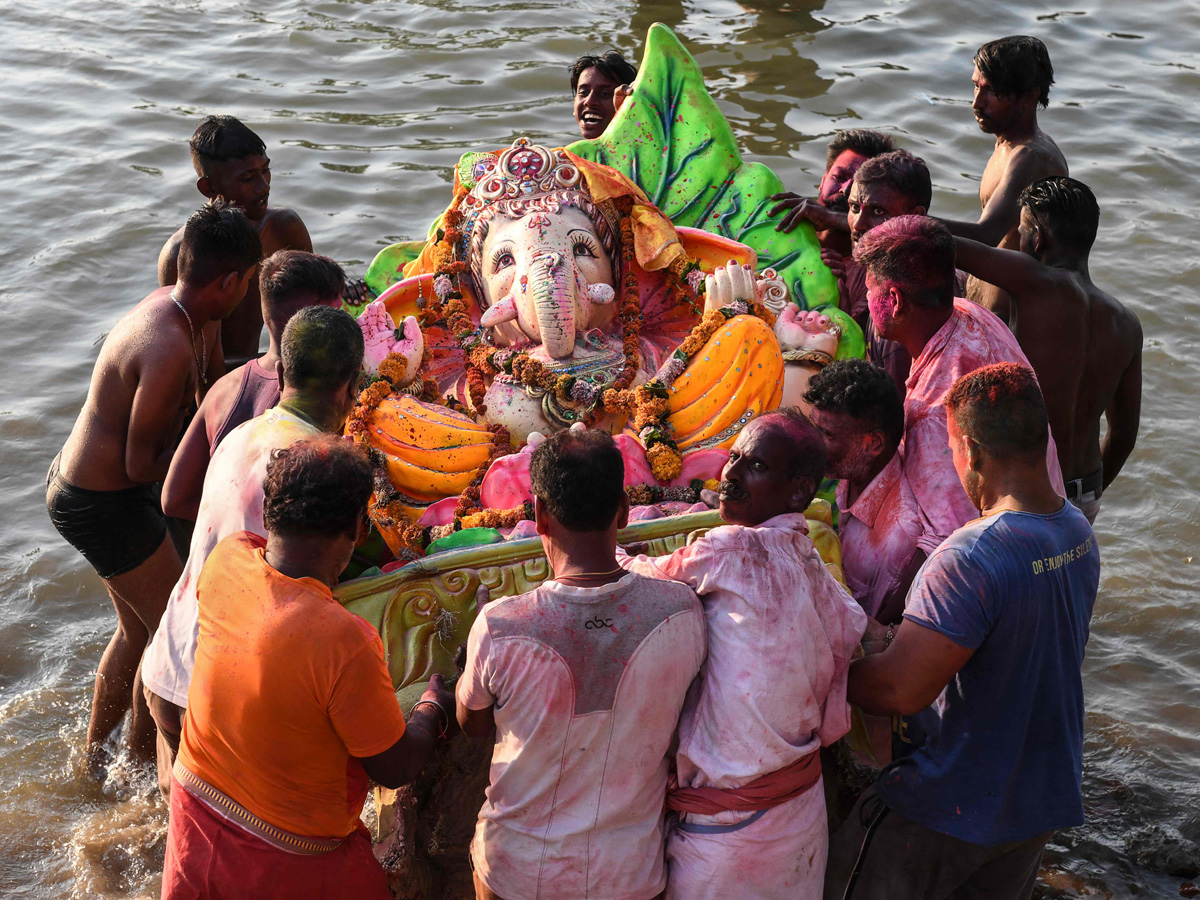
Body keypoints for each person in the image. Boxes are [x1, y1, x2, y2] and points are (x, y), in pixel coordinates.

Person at [825, 363, 1100, 900]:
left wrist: (825, 667)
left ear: (971, 451)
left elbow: (899, 690)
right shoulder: (1076, 530)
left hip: (947, 801)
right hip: (1037, 797)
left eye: (951, 449)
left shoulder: (972, 554)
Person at [161, 436, 455, 899]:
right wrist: (432, 707)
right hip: (286, 858)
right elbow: (394, 767)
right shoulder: (346, 640)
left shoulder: (227, 560)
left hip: (195, 820)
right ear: (358, 528)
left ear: (271, 510)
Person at [619, 410, 868, 900]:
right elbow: (850, 629)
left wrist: (613, 552)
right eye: (732, 457)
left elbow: (637, 576)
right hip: (799, 820)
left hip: (731, 840)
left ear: (799, 493)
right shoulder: (815, 567)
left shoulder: (728, 550)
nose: (728, 475)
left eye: (753, 466)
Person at [46, 205, 260, 771]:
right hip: (96, 500)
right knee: (170, 626)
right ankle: (141, 766)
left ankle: (94, 761)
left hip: (115, 490)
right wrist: (208, 466)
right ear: (233, 281)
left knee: (137, 628)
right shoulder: (165, 343)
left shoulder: (198, 315)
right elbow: (140, 464)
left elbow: (211, 393)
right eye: (251, 282)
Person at [457, 428, 706, 900]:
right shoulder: (682, 614)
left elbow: (472, 724)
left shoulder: (500, 625)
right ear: (624, 512)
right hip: (629, 876)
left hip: (517, 874)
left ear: (539, 516)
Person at [142, 305, 364, 797]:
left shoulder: (241, 435)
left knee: (183, 840)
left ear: (282, 372)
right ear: (352, 387)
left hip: (167, 664)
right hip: (217, 691)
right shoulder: (314, 467)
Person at [855, 215, 1065, 551]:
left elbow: (950, 545)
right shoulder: (975, 315)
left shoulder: (935, 415)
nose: (867, 301)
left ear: (893, 300)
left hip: (1000, 561)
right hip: (1050, 526)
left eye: (869, 290)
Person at [952, 177, 1142, 522]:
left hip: (1027, 491)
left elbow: (943, 245)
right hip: (1085, 491)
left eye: (1022, 231)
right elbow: (1124, 435)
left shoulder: (1035, 281)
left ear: (1037, 238)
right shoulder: (1126, 323)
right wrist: (1082, 495)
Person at [161, 250, 347, 523]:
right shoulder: (317, 398)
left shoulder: (223, 389)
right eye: (339, 313)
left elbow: (173, 499)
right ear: (317, 319)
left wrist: (234, 522)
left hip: (222, 554)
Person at [158, 115, 313, 367]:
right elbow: (196, 366)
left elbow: (311, 309)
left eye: (266, 170)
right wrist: (273, 364)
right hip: (214, 387)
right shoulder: (181, 256)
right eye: (247, 178)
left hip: (268, 367)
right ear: (208, 187)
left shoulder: (283, 229)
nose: (264, 186)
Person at [935, 36, 1068, 323]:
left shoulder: (1032, 157)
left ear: (1030, 96)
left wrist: (905, 221)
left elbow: (987, 234)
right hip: (984, 306)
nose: (977, 103)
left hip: (1010, 319)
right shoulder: (1006, 145)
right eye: (975, 86)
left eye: (992, 91)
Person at [804, 359, 922, 626]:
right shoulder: (853, 473)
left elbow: (866, 631)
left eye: (826, 434)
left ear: (873, 444)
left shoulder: (898, 541)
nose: (811, 441)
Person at [769, 128, 895, 256]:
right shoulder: (777, 231)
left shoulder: (878, 263)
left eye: (861, 185)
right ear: (823, 180)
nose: (846, 190)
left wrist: (831, 217)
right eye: (839, 177)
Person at [570, 50, 637, 139]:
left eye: (604, 94)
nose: (589, 101)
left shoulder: (651, 149)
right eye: (583, 92)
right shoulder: (560, 152)